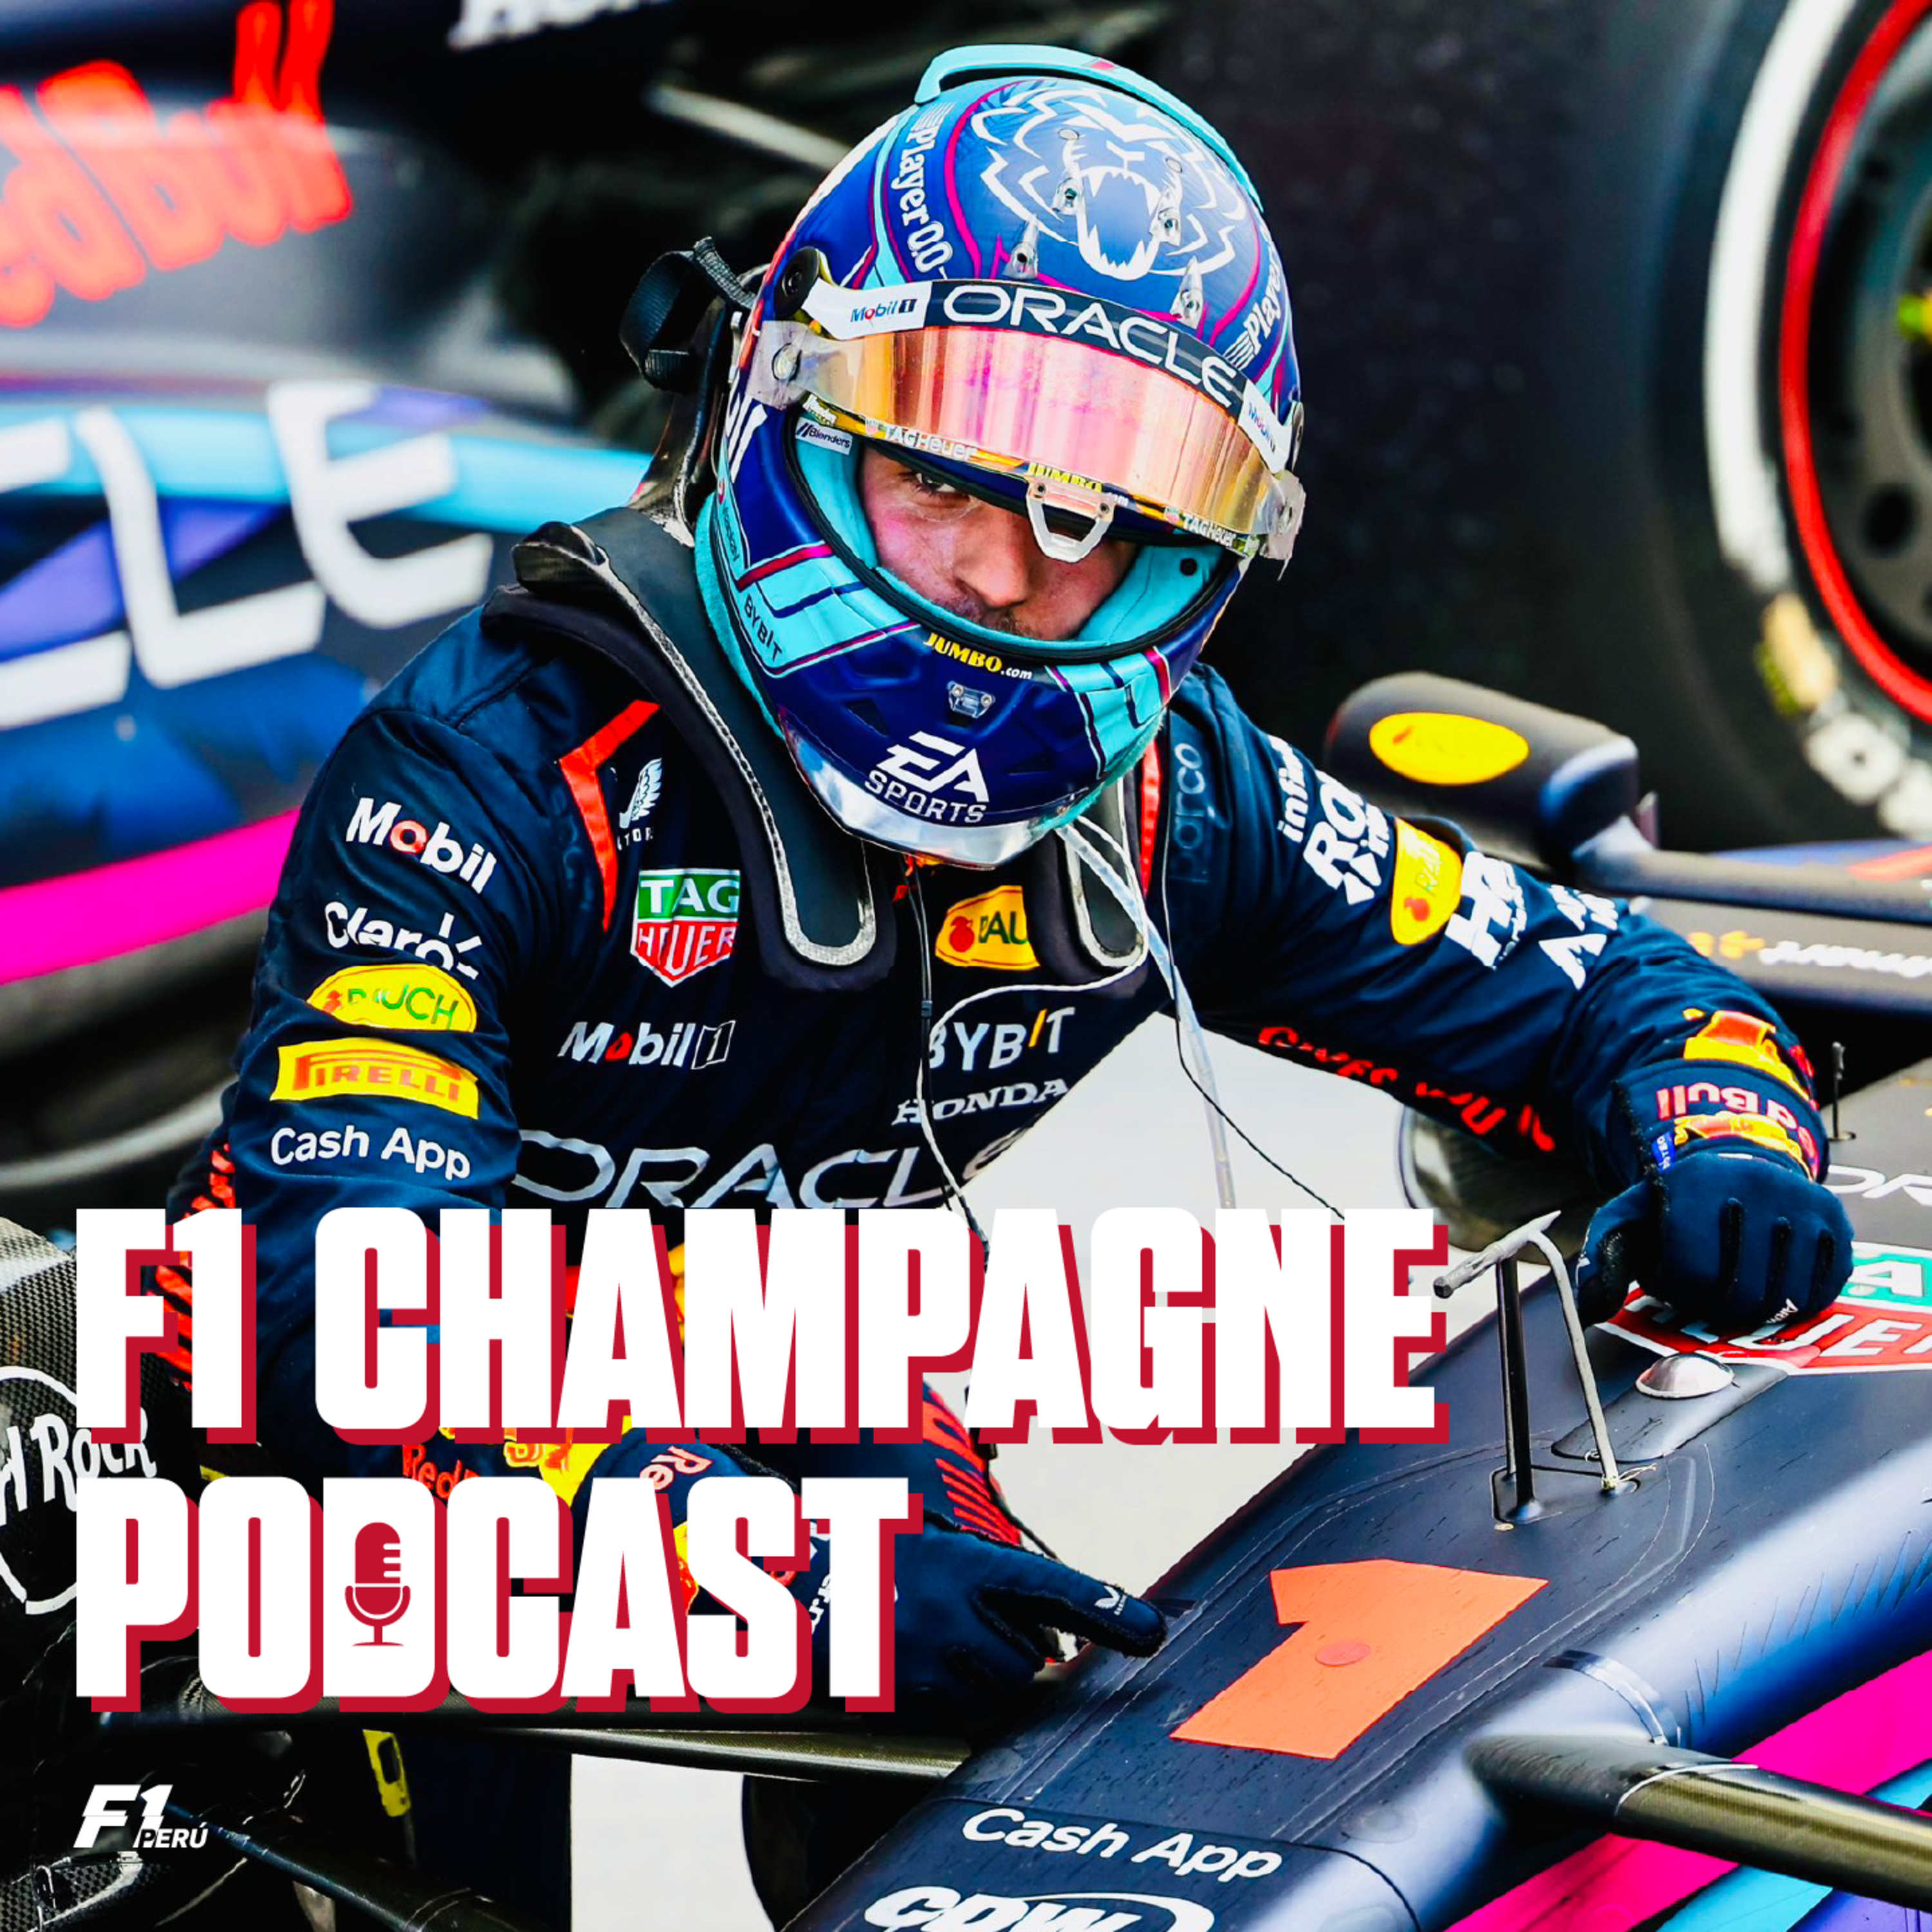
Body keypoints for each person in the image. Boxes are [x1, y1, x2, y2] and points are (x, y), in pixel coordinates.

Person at [156, 43, 1852, 1925]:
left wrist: (1724, 1136)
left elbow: (1615, 986)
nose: (1003, 579)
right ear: (785, 407)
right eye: (941, 476)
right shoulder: (492, 768)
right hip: (321, 1473)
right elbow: (347, 1312)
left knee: (1055, 1716)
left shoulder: (1174, 797)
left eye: (1093, 522)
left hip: (798, 1372)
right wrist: (764, 1559)